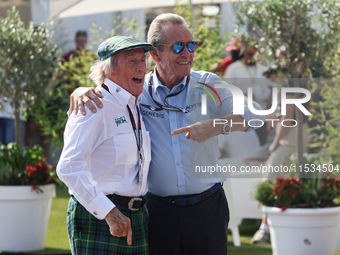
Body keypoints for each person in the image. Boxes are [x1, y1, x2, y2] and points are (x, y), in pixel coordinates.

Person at [69, 13, 265, 255]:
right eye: (178, 46)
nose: (188, 53)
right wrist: (81, 90)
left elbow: (256, 115)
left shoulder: (209, 84)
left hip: (208, 209)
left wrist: (216, 125)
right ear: (155, 55)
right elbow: (110, 92)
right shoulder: (138, 91)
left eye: (192, 45)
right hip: (158, 212)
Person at [56, 36, 155, 254]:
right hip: (101, 216)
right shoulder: (93, 105)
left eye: (142, 60)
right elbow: (69, 167)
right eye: (131, 61)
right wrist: (109, 212)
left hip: (136, 216)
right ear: (109, 69)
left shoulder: (137, 99)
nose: (141, 66)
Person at [225, 44, 274, 145]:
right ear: (243, 52)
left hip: (261, 118)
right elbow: (227, 94)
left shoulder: (263, 69)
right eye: (249, 54)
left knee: (260, 146)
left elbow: (273, 87)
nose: (252, 56)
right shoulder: (233, 69)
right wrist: (249, 95)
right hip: (241, 118)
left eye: (254, 54)